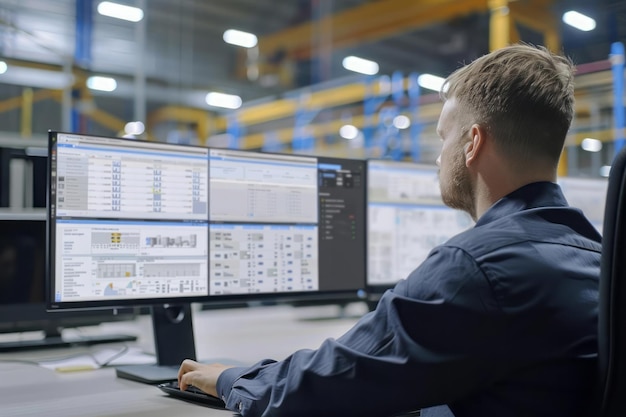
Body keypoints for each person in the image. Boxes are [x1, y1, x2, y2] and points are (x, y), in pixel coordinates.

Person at [178, 44, 602, 417]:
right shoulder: (595, 255)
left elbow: (328, 382)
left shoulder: (477, 267)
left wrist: (233, 377)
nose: (439, 158)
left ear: (472, 143)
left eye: (443, 138)